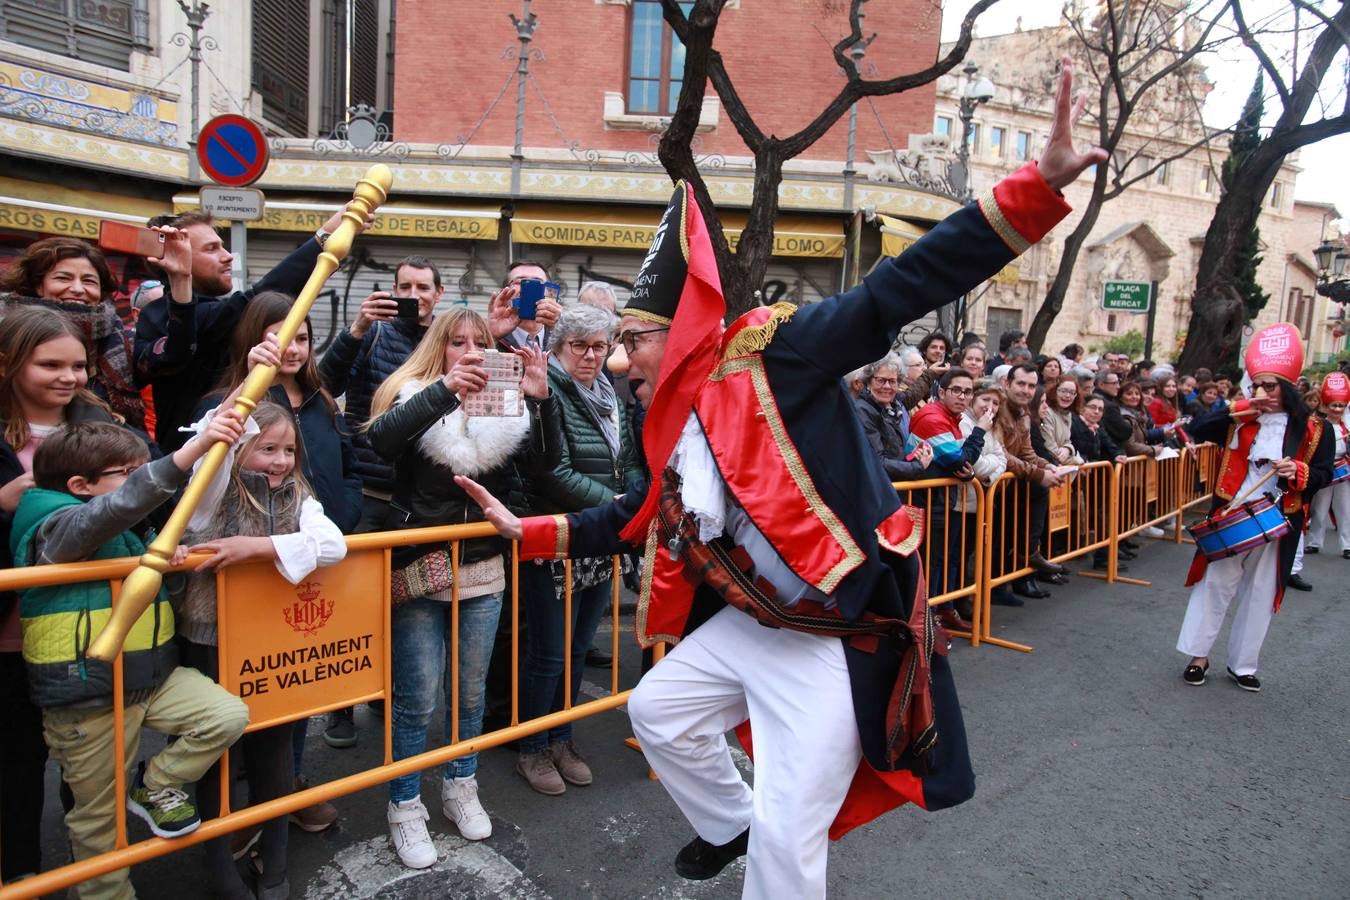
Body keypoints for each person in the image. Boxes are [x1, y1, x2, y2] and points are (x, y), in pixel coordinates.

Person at [458, 57, 1099, 894]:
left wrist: (1032, 190)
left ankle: (761, 845)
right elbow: (636, 511)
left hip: (837, 635)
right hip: (757, 619)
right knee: (657, 712)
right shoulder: (667, 422)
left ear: (680, 331)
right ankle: (728, 826)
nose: (618, 362)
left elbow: (890, 294)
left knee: (791, 836)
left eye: (632, 343)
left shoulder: (775, 349)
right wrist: (529, 530)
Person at [9, 418, 252, 900]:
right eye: (127, 472)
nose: (141, 481)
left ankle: (156, 782)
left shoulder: (127, 530)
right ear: (80, 485)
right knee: (99, 822)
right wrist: (195, 448)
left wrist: (173, 568)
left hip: (148, 677)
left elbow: (143, 594)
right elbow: (110, 513)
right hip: (87, 692)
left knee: (226, 713)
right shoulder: (53, 524)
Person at [366, 308, 560, 868]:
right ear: (439, 348)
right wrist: (446, 391)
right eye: (457, 342)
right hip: (418, 567)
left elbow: (542, 468)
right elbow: (382, 442)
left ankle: (461, 786)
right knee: (416, 700)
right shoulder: (410, 392)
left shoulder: (503, 400)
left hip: (483, 567)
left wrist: (540, 400)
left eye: (479, 341)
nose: (471, 351)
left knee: (470, 692)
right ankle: (404, 807)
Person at [178, 395, 347, 900]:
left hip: (272, 643)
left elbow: (332, 544)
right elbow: (214, 452)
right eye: (265, 447)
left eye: (287, 449)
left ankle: (274, 857)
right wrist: (233, 410)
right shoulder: (212, 490)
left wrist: (257, 549)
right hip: (209, 639)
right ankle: (219, 860)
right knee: (215, 755)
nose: (278, 460)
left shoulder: (301, 495)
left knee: (274, 750)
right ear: (240, 448)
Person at [0, 306, 140, 883]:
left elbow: (145, 497)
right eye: (49, 364)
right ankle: (22, 877)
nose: (68, 377)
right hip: (13, 634)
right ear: (9, 365)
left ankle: (99, 880)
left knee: (92, 774)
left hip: (95, 629)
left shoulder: (105, 424)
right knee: (15, 769)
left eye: (78, 365)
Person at [515, 305, 640, 795]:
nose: (591, 356)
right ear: (559, 348)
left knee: (573, 650)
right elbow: (553, 471)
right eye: (579, 347)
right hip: (559, 538)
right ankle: (532, 748)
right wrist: (618, 508)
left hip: (599, 539)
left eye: (599, 346)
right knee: (547, 653)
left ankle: (562, 739)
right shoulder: (547, 392)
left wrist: (625, 504)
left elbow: (626, 458)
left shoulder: (611, 393)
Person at [134, 204, 372, 451]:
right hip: (189, 472)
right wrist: (324, 237)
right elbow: (259, 296)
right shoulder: (161, 317)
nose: (227, 256)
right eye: (211, 249)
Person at [1176, 324, 1334, 691]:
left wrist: (1299, 470)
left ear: (1289, 388)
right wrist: (1243, 406)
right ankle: (1198, 656)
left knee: (1261, 590)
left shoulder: (1315, 430)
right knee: (1215, 584)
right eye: (1258, 385)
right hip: (1233, 513)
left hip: (1281, 517)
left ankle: (1243, 664)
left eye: (1271, 386)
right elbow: (1197, 428)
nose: (1264, 393)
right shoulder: (1239, 418)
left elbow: (1325, 474)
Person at [0, 236, 166, 431]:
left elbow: (173, 357)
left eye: (89, 281)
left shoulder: (122, 340)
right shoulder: (7, 332)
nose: (78, 289)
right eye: (63, 278)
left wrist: (179, 280)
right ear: (38, 284)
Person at [994, 365, 1068, 601]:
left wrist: (1048, 467)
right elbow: (1001, 454)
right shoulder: (996, 408)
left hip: (1008, 486)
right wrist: (1039, 474)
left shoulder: (1025, 413)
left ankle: (1025, 557)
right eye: (1021, 384)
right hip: (991, 485)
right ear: (1007, 383)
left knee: (1004, 539)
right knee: (992, 542)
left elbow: (1027, 452)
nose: (1026, 390)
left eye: (1031, 386)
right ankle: (992, 591)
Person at [854, 354, 934, 484]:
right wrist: (917, 466)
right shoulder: (863, 411)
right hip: (877, 492)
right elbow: (876, 462)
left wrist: (914, 456)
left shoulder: (894, 406)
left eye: (892, 381)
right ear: (868, 382)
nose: (887, 386)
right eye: (880, 380)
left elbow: (893, 453)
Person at [1306, 372, 1350, 559]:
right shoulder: (1320, 426)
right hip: (1326, 470)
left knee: (1344, 508)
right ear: (1326, 406)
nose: (1338, 409)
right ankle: (1315, 542)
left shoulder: (1346, 427)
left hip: (1343, 470)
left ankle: (1347, 545)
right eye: (1334, 405)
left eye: (1341, 405)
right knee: (1319, 508)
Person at [1042, 378, 1085, 466]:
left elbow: (1067, 441)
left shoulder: (1068, 414)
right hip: (1050, 464)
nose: (1068, 395)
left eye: (1072, 392)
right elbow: (1049, 445)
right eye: (1063, 391)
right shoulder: (1046, 412)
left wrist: (1068, 449)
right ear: (1054, 391)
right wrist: (1076, 461)